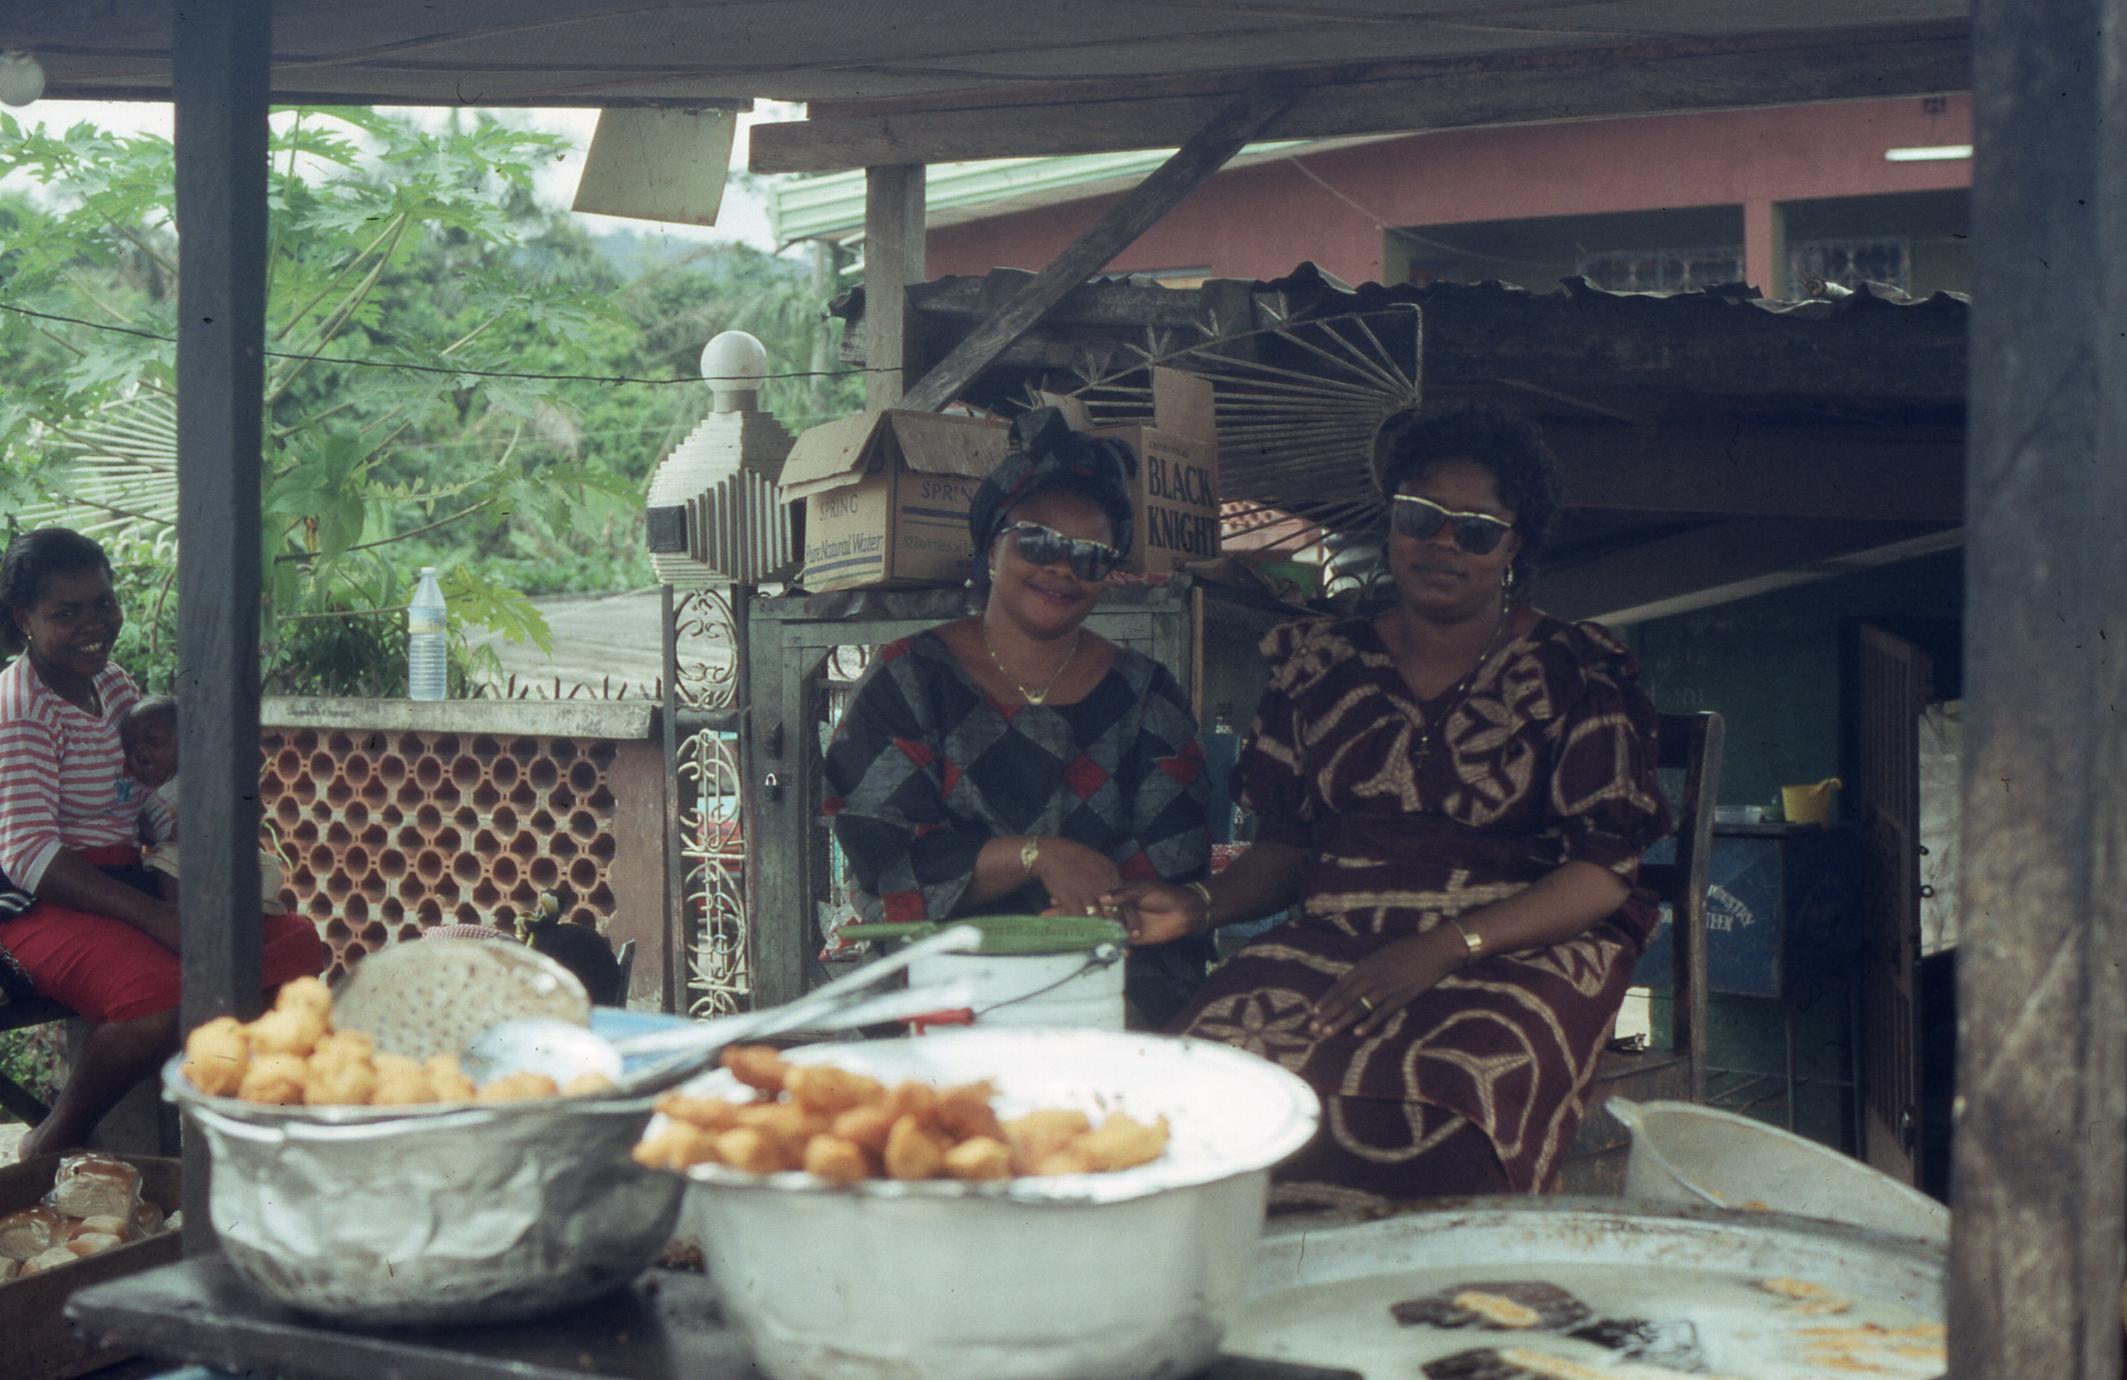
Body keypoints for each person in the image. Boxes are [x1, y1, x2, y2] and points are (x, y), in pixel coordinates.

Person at [1112, 405, 1672, 1210]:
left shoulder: (1574, 668)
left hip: (1517, 941)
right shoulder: (1319, 664)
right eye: (1422, 518)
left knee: (1443, 1086)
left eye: (1476, 530)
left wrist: (1445, 947)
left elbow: (1600, 876)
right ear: (1392, 523)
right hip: (1337, 933)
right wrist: (1197, 907)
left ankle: (1428, 1301)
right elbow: (1283, 853)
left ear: (1515, 547)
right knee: (1202, 1075)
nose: (1443, 544)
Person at [823, 408, 1213, 1027]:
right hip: (943, 964)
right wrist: (1036, 855)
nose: (1062, 567)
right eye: (1038, 542)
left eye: (1089, 556)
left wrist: (1101, 916)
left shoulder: (1146, 695)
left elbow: (1171, 867)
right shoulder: (908, 678)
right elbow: (884, 863)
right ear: (991, 546)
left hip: (1107, 962)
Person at [0, 528, 325, 1156]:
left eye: (103, 603)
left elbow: (145, 791)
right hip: (38, 900)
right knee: (161, 1000)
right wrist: (158, 918)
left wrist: (184, 835)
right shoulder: (20, 709)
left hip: (126, 877)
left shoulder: (114, 686)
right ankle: (57, 1137)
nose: (94, 624)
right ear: (26, 620)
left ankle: (230, 1125)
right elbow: (28, 853)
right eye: (66, 613)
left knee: (292, 944)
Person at [119, 694, 289, 913]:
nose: (141, 752)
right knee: (165, 861)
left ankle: (251, 914)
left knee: (270, 869)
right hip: (180, 857)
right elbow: (142, 832)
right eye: (131, 750)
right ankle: (184, 915)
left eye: (153, 741)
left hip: (222, 851)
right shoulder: (139, 792)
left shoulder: (201, 774)